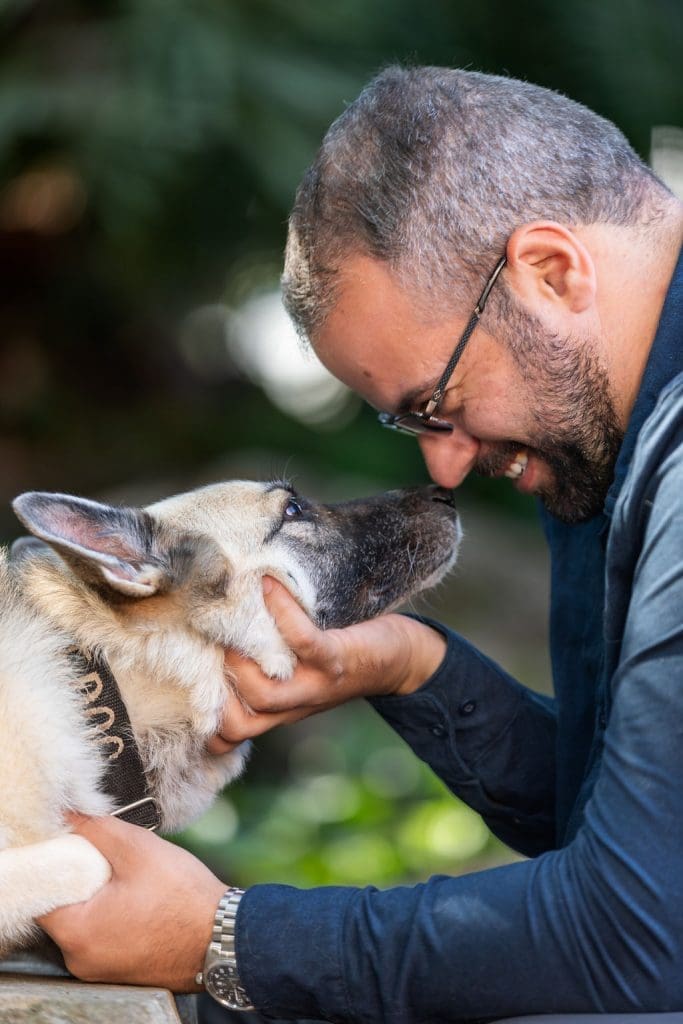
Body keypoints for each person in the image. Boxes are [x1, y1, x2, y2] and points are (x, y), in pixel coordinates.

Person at [41, 66, 683, 1021]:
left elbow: (634, 936)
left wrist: (225, 938)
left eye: (437, 405)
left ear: (550, 272)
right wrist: (411, 670)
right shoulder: (606, 434)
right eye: (411, 426)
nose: (448, 469)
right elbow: (637, 838)